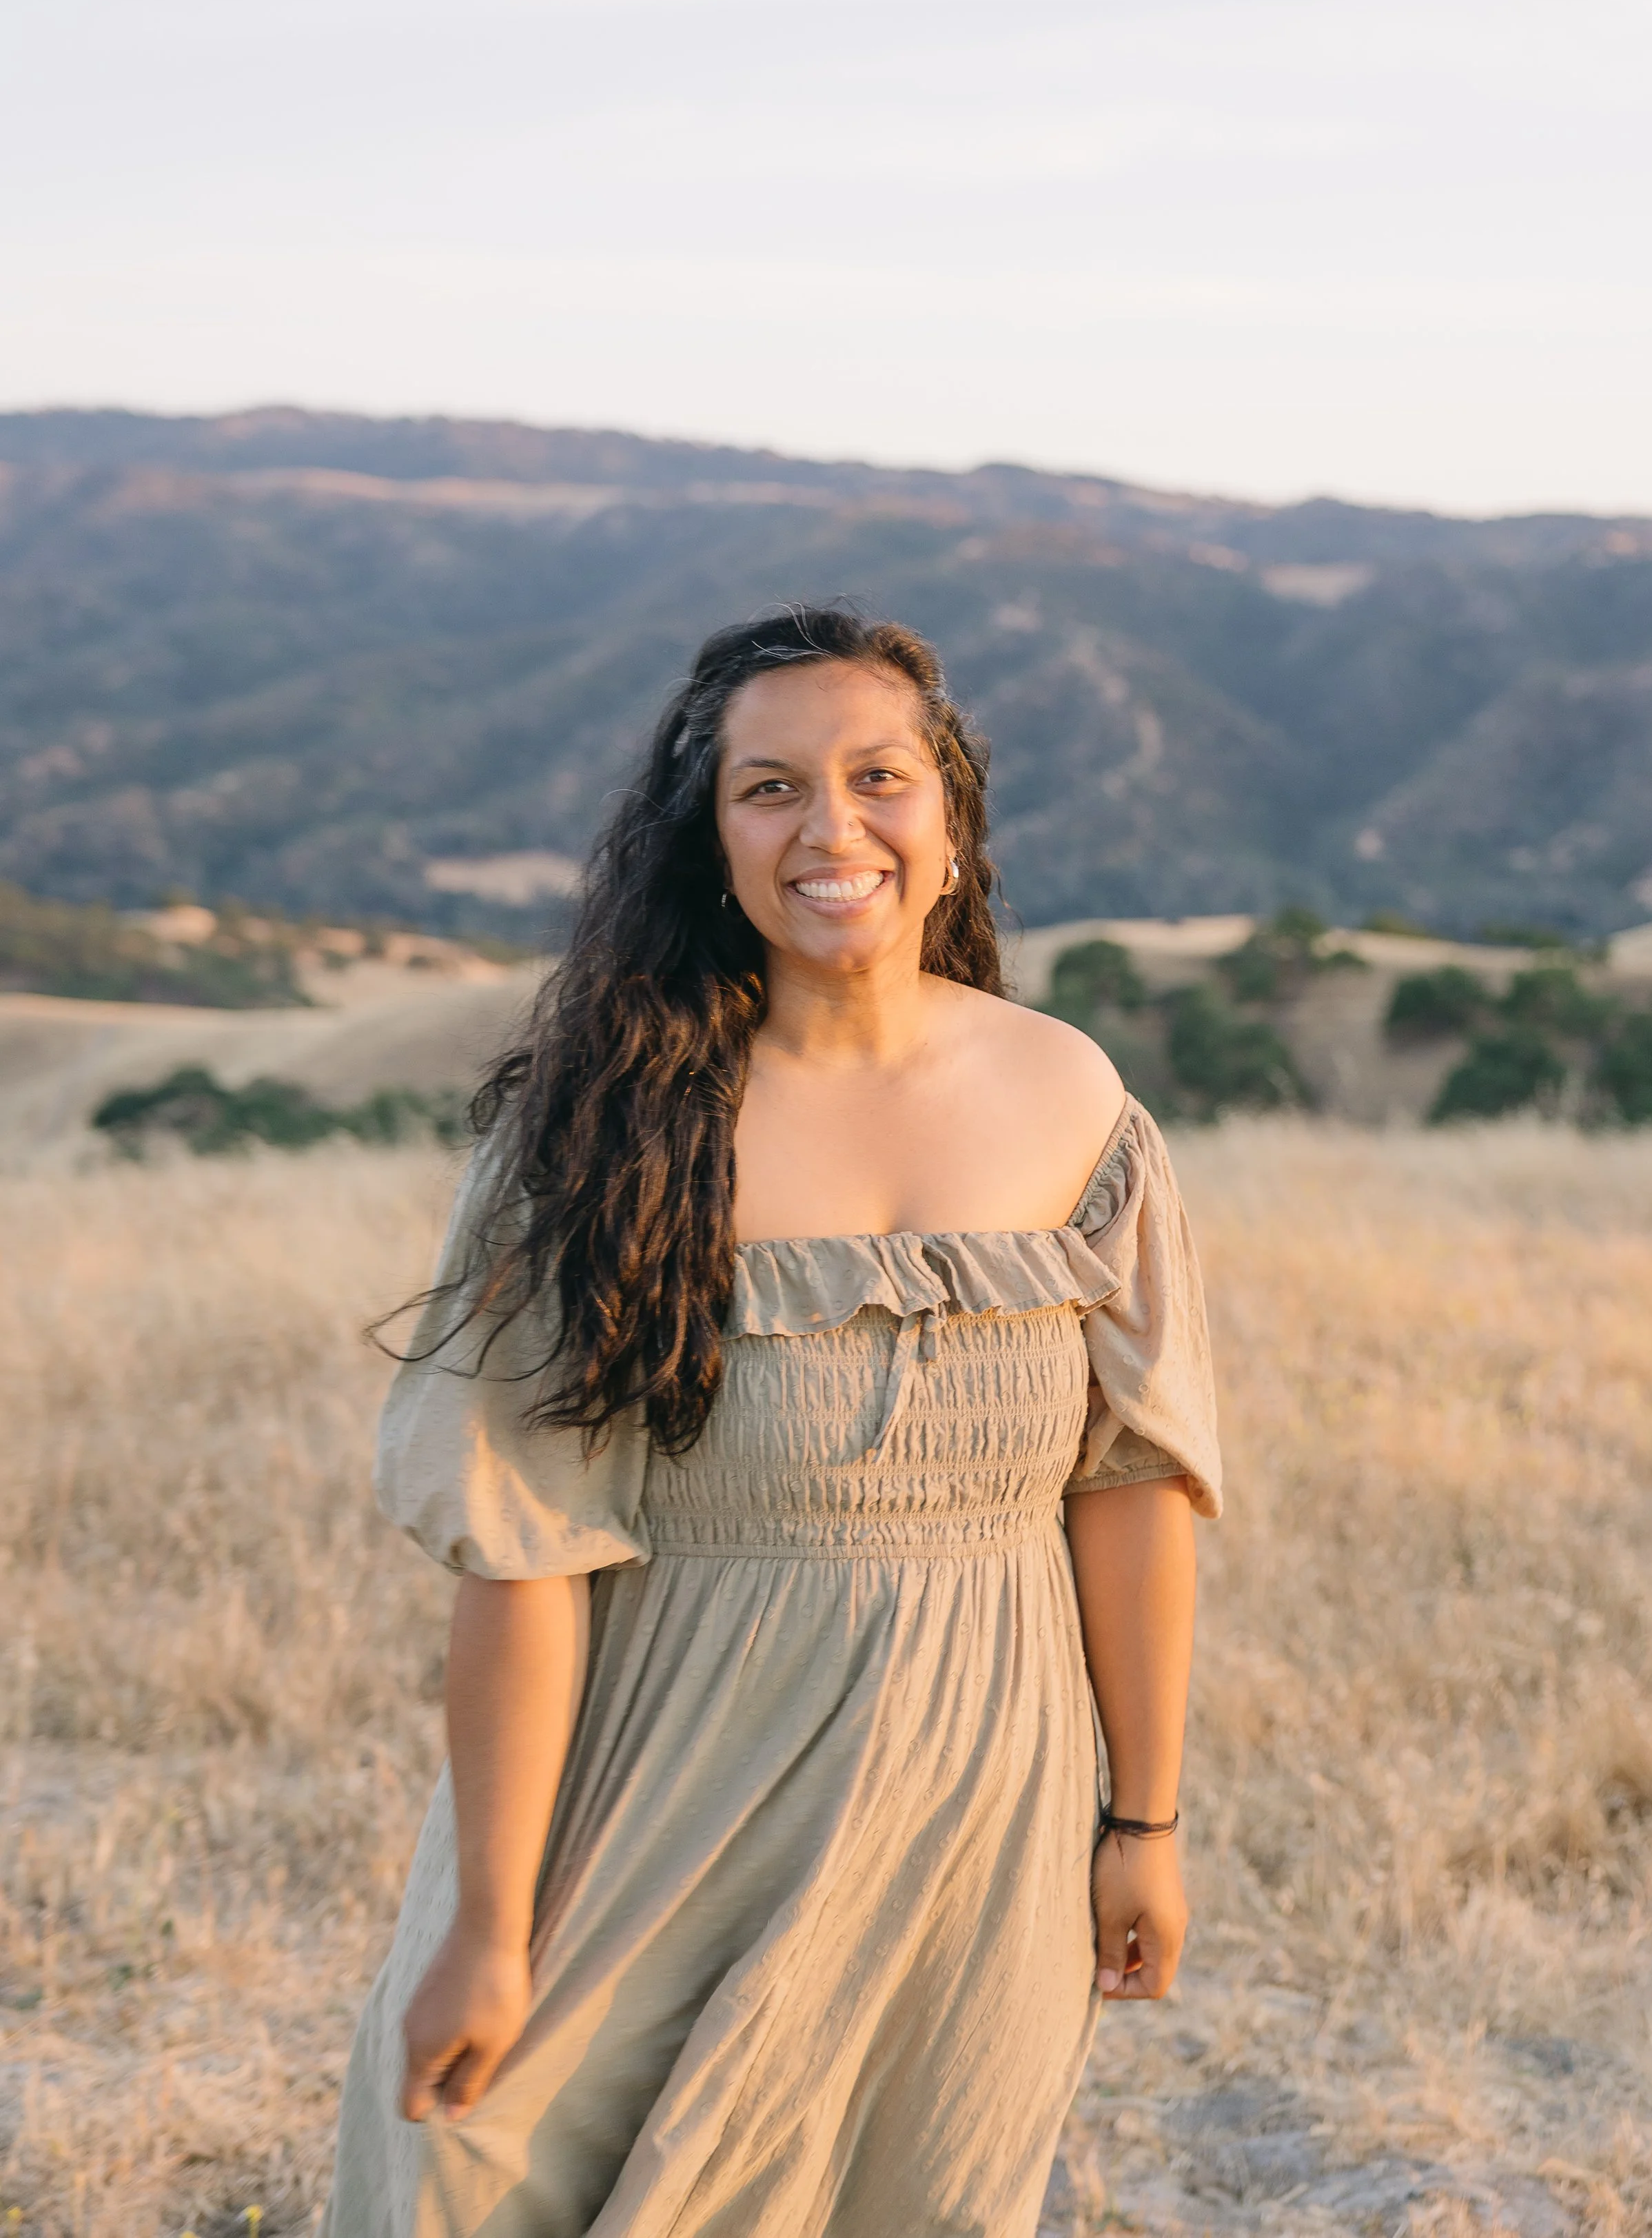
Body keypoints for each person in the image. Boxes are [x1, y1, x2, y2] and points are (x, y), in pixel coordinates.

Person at [321, 607, 1221, 2238]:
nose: (830, 829)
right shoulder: (603, 1130)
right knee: (478, 2167)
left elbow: (1131, 1486)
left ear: (945, 817)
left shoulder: (1070, 1096)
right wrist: (487, 1923)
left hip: (975, 1798)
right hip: (663, 1774)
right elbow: (521, 1557)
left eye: (878, 777)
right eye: (767, 790)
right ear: (708, 839)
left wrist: (1141, 1821)